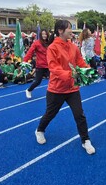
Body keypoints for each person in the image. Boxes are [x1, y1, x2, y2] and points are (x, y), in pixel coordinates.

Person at [35, 19, 96, 155]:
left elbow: (80, 62)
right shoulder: (52, 48)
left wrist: (89, 71)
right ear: (60, 31)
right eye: (69, 28)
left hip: (73, 88)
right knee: (50, 113)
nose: (71, 31)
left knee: (79, 115)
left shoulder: (73, 46)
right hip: (56, 89)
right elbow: (54, 68)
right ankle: (39, 130)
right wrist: (71, 74)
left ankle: (85, 140)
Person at [24, 29, 50, 99]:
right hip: (40, 66)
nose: (44, 35)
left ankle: (54, 93)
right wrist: (25, 60)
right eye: (43, 34)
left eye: (45, 34)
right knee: (38, 81)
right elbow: (30, 52)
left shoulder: (50, 43)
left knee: (54, 79)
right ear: (40, 35)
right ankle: (29, 90)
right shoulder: (36, 43)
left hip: (49, 65)